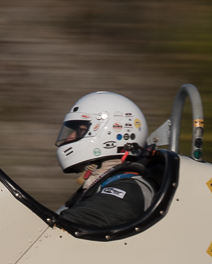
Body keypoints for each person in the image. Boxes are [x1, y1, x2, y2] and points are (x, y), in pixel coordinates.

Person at [53, 91, 155, 232]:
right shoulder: (101, 182)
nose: (70, 138)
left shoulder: (127, 188)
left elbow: (60, 228)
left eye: (80, 130)